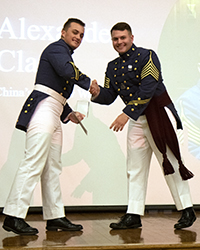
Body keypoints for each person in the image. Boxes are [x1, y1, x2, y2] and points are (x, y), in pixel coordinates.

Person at [89, 22, 196, 230]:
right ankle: (134, 214)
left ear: (131, 37)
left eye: (123, 38)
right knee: (134, 168)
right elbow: (110, 95)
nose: (119, 42)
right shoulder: (112, 67)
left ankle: (187, 210)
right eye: (115, 39)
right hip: (136, 119)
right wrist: (96, 93)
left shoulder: (147, 56)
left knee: (171, 163)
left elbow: (148, 88)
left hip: (156, 114)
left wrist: (125, 114)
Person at [2, 18, 91, 235]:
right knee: (33, 161)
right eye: (75, 32)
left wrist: (69, 112)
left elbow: (57, 94)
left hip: (53, 108)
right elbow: (66, 73)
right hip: (43, 109)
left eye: (81, 34)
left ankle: (55, 216)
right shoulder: (56, 49)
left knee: (52, 166)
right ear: (63, 32)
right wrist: (90, 84)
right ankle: (13, 215)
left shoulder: (63, 53)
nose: (78, 37)